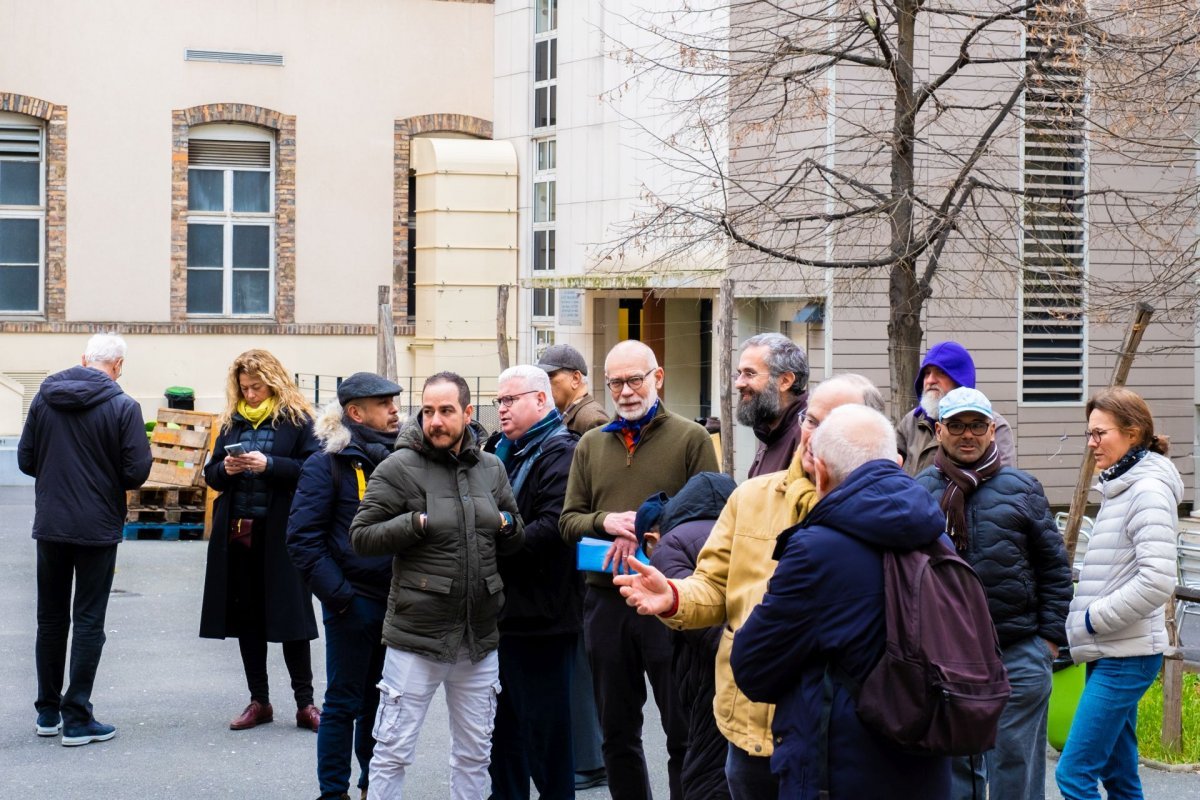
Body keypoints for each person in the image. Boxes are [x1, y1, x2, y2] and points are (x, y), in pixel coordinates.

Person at [614, 374, 884, 799]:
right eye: (812, 421)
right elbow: (715, 586)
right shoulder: (752, 498)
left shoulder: (889, 513)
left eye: (836, 423)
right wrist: (675, 597)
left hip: (848, 733)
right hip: (751, 729)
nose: (816, 436)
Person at [729, 404, 951, 799]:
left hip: (835, 770)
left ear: (823, 472)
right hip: (926, 765)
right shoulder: (937, 536)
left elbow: (752, 667)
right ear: (897, 463)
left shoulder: (816, 551)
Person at [350, 372, 525, 799]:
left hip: (479, 639)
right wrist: (416, 523)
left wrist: (504, 523)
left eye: (446, 411)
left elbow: (515, 531)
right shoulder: (399, 467)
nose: (435, 422)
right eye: (428, 411)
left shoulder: (492, 468)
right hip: (415, 638)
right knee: (391, 751)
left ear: (467, 413)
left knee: (474, 755)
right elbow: (361, 536)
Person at [560, 339, 718, 800]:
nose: (626, 391)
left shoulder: (691, 439)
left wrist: (645, 526)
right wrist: (607, 521)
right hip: (606, 603)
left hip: (668, 603)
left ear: (658, 378)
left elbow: (709, 517)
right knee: (616, 733)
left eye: (635, 380)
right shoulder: (590, 444)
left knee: (683, 731)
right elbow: (568, 521)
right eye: (616, 382)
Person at [915, 387, 1071, 800]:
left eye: (978, 425)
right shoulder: (919, 491)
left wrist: (1048, 643)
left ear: (991, 429)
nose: (968, 435)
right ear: (939, 430)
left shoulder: (1021, 487)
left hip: (1017, 651)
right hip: (945, 657)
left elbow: (1055, 568)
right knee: (956, 769)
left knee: (1014, 769)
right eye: (958, 426)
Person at [18, 332, 152, 747]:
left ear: (83, 359)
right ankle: (76, 716)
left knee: (50, 618)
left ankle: (46, 711)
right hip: (97, 527)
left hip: (52, 524)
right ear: (118, 366)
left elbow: (25, 459)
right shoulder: (123, 406)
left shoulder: (44, 398)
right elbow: (137, 471)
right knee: (89, 619)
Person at [1055, 387, 1181, 800]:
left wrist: (1092, 620)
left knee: (1073, 774)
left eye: (1099, 433)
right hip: (1109, 650)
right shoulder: (1121, 487)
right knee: (1120, 776)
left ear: (1133, 432)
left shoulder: (1147, 491)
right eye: (1088, 434)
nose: (1091, 444)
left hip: (1124, 655)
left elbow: (1157, 580)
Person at [287, 373, 402, 800]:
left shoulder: (401, 458)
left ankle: (376, 786)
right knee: (343, 705)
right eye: (383, 403)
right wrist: (341, 598)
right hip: (352, 604)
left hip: (398, 604)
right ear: (356, 413)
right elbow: (302, 540)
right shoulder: (327, 464)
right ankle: (332, 793)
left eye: (394, 402)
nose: (394, 410)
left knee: (383, 704)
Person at [200, 349, 321, 733]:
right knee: (246, 616)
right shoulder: (232, 423)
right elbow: (212, 475)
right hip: (240, 530)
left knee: (292, 618)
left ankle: (306, 704)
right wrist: (228, 467)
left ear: (273, 382)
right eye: (244, 388)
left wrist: (270, 465)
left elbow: (314, 470)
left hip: (283, 532)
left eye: (256, 387)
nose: (249, 394)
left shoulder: (297, 420)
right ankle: (260, 701)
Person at [484, 365, 579, 800]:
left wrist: (498, 529)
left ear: (541, 401)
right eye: (499, 401)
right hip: (499, 614)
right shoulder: (498, 449)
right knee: (502, 736)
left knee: (546, 737)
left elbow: (552, 529)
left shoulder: (562, 452)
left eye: (511, 400)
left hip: (542, 617)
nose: (502, 409)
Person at [536, 343, 609, 790]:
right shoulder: (574, 418)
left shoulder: (590, 420)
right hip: (580, 552)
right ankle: (587, 753)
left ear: (576, 378)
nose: (547, 384)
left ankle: (590, 758)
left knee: (582, 666)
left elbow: (594, 490)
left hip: (585, 554)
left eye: (553, 376)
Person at [643, 473, 737, 800]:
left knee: (707, 779)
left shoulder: (673, 542)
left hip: (716, 682)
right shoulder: (749, 533)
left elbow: (701, 626)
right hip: (762, 678)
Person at [896, 341, 1015, 476]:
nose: (930, 380)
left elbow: (1004, 485)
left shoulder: (994, 425)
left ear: (960, 379)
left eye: (940, 372)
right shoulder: (912, 420)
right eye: (927, 373)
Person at [734, 333, 809, 478]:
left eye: (749, 374)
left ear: (785, 381)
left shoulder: (807, 435)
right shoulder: (771, 428)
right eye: (739, 374)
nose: (738, 383)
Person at [537, 343, 609, 435]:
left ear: (576, 379)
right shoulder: (567, 414)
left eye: (550, 377)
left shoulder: (592, 420)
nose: (544, 384)